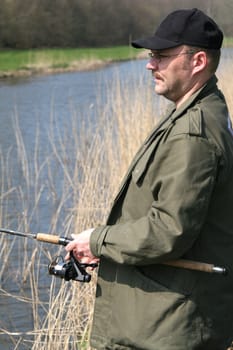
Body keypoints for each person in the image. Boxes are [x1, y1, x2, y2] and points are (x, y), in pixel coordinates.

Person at [66, 8, 233, 350]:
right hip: (164, 320)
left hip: (167, 329)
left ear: (198, 61)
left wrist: (98, 241)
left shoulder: (193, 133)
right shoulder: (194, 112)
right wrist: (111, 250)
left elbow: (168, 231)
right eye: (150, 55)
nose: (149, 64)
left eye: (161, 55)